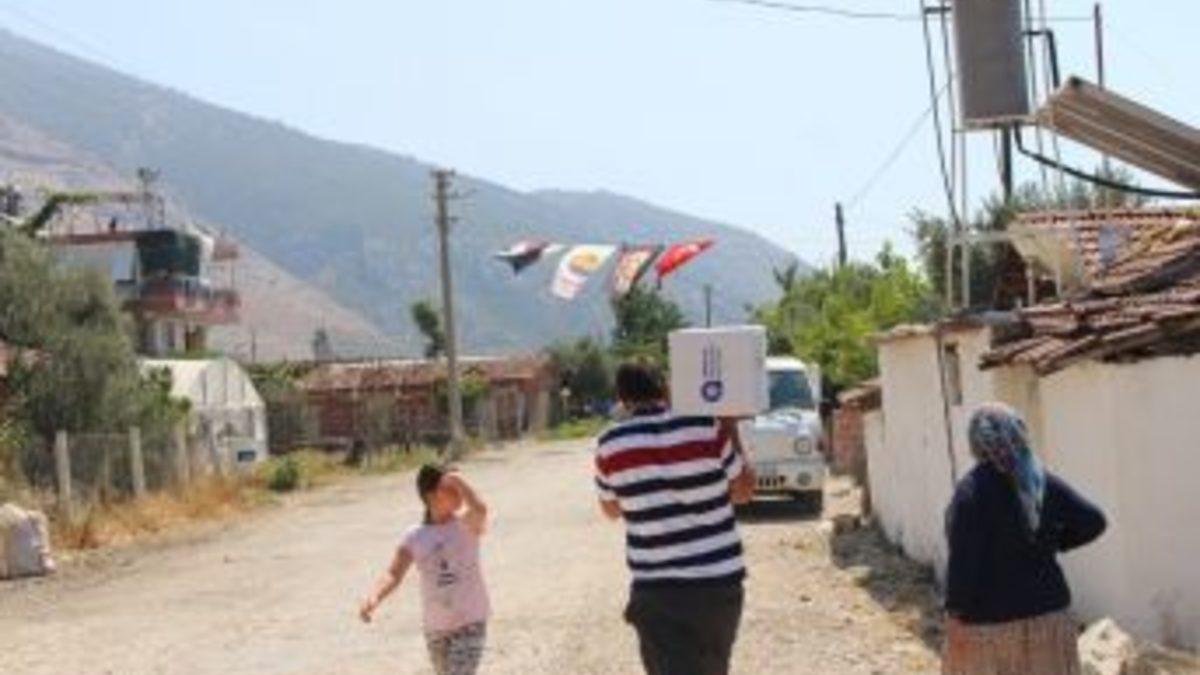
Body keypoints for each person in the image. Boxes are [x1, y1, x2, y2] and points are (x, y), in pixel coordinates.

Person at [594, 359, 756, 675]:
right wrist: (729, 426)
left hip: (657, 589)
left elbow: (610, 510)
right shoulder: (705, 427)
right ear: (666, 388)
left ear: (621, 398)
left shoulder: (610, 444)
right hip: (719, 586)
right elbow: (743, 491)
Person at [943, 403, 1107, 675]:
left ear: (976, 442)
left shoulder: (970, 491)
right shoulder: (1040, 481)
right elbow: (1094, 521)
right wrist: (1055, 541)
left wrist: (955, 615)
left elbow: (963, 561)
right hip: (1049, 619)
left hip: (991, 629)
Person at [360, 465, 491, 675]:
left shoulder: (466, 523)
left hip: (470, 621)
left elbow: (481, 510)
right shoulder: (415, 536)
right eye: (451, 487)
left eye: (459, 486)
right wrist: (375, 596)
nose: (459, 492)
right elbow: (393, 573)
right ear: (431, 495)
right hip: (436, 627)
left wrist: (458, 480)